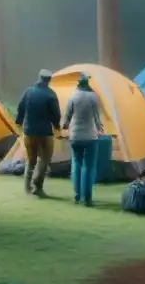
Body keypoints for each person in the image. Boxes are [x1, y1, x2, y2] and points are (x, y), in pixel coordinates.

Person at [15, 68, 62, 198]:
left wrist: (19, 122)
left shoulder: (28, 92)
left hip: (29, 132)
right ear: (49, 80)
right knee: (44, 159)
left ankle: (26, 187)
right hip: (45, 133)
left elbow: (20, 108)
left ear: (39, 78)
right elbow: (56, 114)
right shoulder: (50, 94)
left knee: (30, 160)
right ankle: (37, 186)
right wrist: (57, 126)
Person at [63, 73, 104, 207]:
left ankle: (77, 196)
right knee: (89, 167)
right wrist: (100, 128)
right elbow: (97, 118)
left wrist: (65, 126)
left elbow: (67, 117)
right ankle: (87, 199)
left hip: (75, 137)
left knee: (76, 165)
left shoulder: (73, 96)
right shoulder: (93, 97)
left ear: (78, 84)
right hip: (90, 137)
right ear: (88, 83)